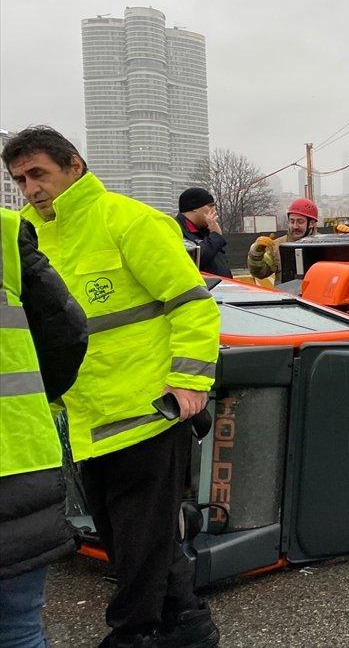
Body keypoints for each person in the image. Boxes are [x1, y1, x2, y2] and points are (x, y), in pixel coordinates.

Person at [3, 126, 222, 647]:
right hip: (85, 417)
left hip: (147, 408)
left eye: (39, 174)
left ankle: (134, 633)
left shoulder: (129, 220)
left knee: (139, 540)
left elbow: (191, 304)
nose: (31, 189)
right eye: (19, 180)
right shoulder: (25, 235)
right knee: (134, 538)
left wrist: (189, 383)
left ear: (74, 165)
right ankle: (185, 626)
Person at [0, 207, 88, 648]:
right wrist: (36, 395)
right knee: (17, 627)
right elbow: (67, 331)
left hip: (17, 466)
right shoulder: (6, 232)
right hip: (15, 458)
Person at [248, 197, 319, 282]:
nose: (295, 226)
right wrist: (256, 253)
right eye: (292, 221)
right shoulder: (277, 246)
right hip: (286, 294)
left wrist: (339, 241)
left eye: (300, 222)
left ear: (312, 223)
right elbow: (260, 273)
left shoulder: (326, 246)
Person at [175, 188, 232, 278]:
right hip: (201, 290)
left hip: (222, 289)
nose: (214, 211)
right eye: (210, 206)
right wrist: (215, 236)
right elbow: (192, 260)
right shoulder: (176, 230)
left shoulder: (206, 231)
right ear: (194, 208)